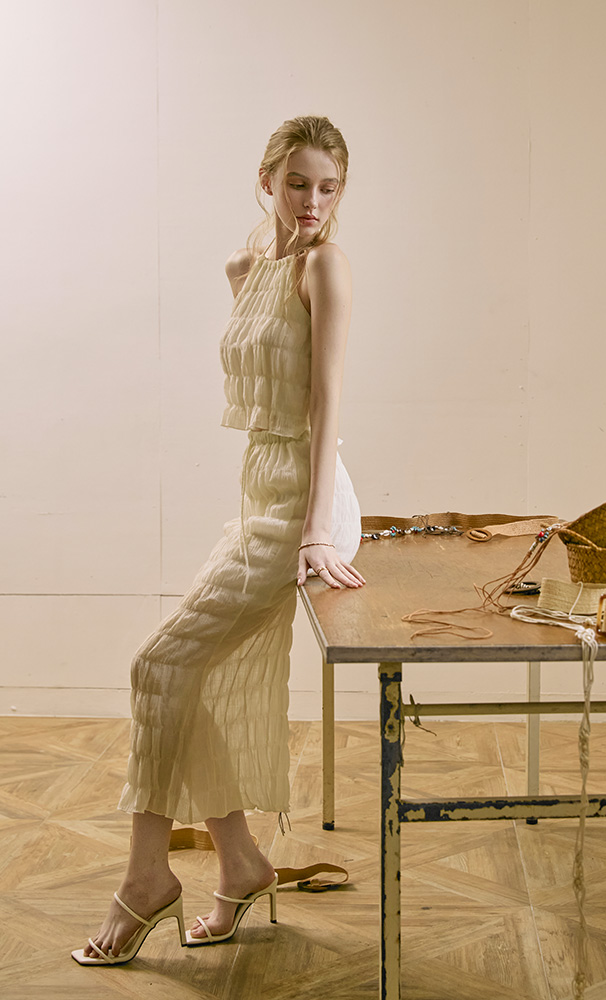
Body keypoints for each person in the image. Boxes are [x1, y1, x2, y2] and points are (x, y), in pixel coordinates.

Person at [72, 115, 365, 965]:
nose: (313, 202)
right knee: (183, 675)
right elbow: (263, 391)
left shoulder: (325, 266)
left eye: (329, 187)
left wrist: (315, 531)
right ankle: (239, 863)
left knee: (156, 665)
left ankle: (145, 879)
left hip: (307, 502)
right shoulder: (245, 269)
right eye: (298, 183)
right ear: (266, 180)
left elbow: (325, 404)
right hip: (261, 487)